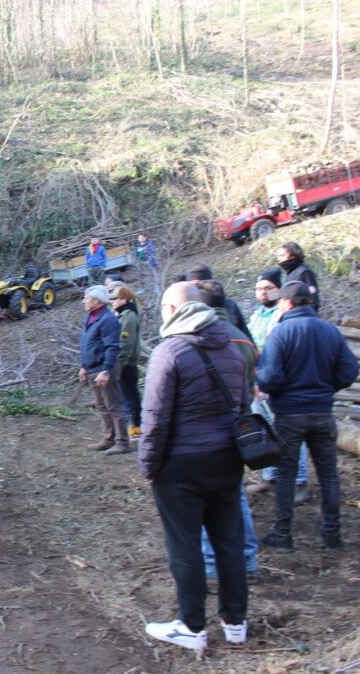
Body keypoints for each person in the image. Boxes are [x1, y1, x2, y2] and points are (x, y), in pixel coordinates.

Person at [139, 282, 249, 652]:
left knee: (185, 546)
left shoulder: (169, 351)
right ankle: (236, 622)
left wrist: (149, 466)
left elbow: (154, 419)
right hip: (228, 460)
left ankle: (191, 625)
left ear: (172, 310)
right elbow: (244, 408)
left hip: (181, 465)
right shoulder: (233, 350)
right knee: (229, 542)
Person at [256, 281, 358, 551]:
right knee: (328, 475)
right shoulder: (331, 331)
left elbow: (269, 378)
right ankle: (332, 537)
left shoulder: (280, 333)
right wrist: (326, 389)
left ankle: (283, 535)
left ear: (287, 303)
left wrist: (272, 387)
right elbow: (349, 372)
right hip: (323, 412)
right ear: (308, 303)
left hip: (290, 415)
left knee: (286, 474)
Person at [196, 280, 259, 582]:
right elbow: (249, 386)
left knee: (206, 501)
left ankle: (210, 567)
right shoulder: (244, 341)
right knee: (237, 497)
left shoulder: (199, 339)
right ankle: (248, 559)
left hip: (205, 431)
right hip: (238, 427)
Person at [244, 268, 310, 503]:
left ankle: (299, 481)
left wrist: (270, 381)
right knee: (264, 431)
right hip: (257, 382)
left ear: (278, 290)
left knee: (288, 433)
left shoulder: (283, 316)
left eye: (267, 288)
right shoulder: (255, 316)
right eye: (259, 288)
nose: (262, 292)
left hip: (278, 384)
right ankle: (269, 475)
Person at [80, 285, 129, 455]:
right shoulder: (90, 318)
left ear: (96, 300)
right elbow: (87, 343)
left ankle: (122, 442)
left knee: (114, 406)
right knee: (101, 406)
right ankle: (108, 439)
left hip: (103, 369)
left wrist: (106, 371)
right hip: (92, 368)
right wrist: (83, 366)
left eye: (86, 298)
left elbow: (113, 347)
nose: (83, 301)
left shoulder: (108, 319)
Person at [185, 264, 252, 343]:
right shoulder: (185, 309)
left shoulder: (229, 305)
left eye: (201, 285)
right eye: (194, 286)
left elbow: (246, 337)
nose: (198, 290)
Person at [110, 286, 142, 439]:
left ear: (125, 299)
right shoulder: (122, 314)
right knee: (127, 394)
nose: (113, 301)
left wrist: (119, 366)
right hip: (124, 362)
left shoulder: (128, 316)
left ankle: (136, 426)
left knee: (130, 395)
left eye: (115, 298)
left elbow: (126, 344)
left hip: (127, 363)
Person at [276, 242, 321, 314]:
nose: (278, 259)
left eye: (282, 255)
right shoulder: (288, 273)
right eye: (278, 256)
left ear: (292, 256)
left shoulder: (305, 272)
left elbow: (313, 298)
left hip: (303, 315)